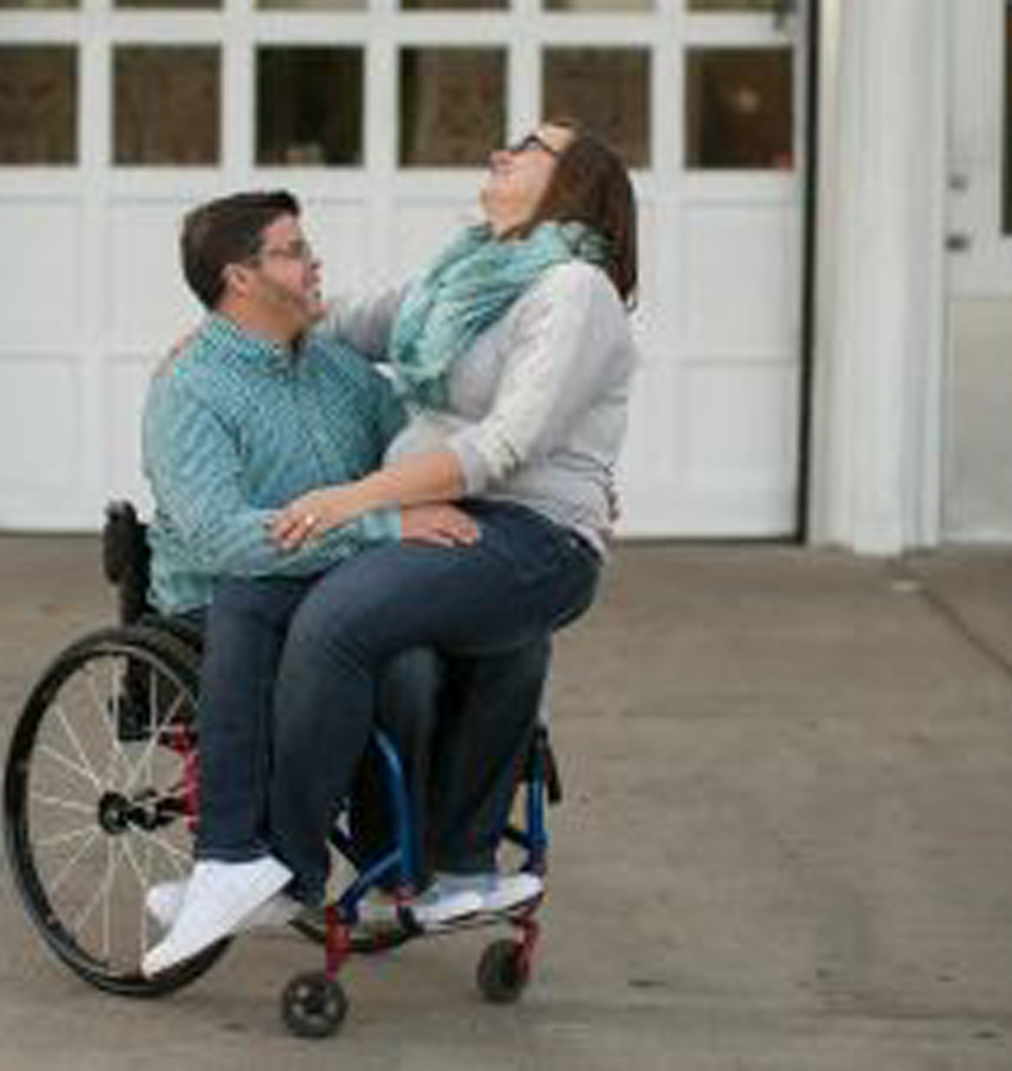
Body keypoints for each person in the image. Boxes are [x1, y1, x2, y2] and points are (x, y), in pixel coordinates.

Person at [152, 118, 640, 969]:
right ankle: (439, 865)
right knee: (316, 613)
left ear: (573, 182)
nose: (503, 149)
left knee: (339, 619)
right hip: (470, 521)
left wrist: (354, 502)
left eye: (529, 146)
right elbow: (359, 317)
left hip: (527, 528)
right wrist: (227, 328)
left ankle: (287, 870)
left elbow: (506, 447)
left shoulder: (573, 290)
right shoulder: (472, 278)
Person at [139, 190, 483, 976]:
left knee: (419, 661)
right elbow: (220, 537)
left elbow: (414, 454)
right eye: (293, 251)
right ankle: (247, 859)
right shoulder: (191, 388)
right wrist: (381, 525)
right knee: (361, 643)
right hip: (226, 601)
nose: (314, 261)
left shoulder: (339, 369)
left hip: (343, 586)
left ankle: (393, 861)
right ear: (241, 277)